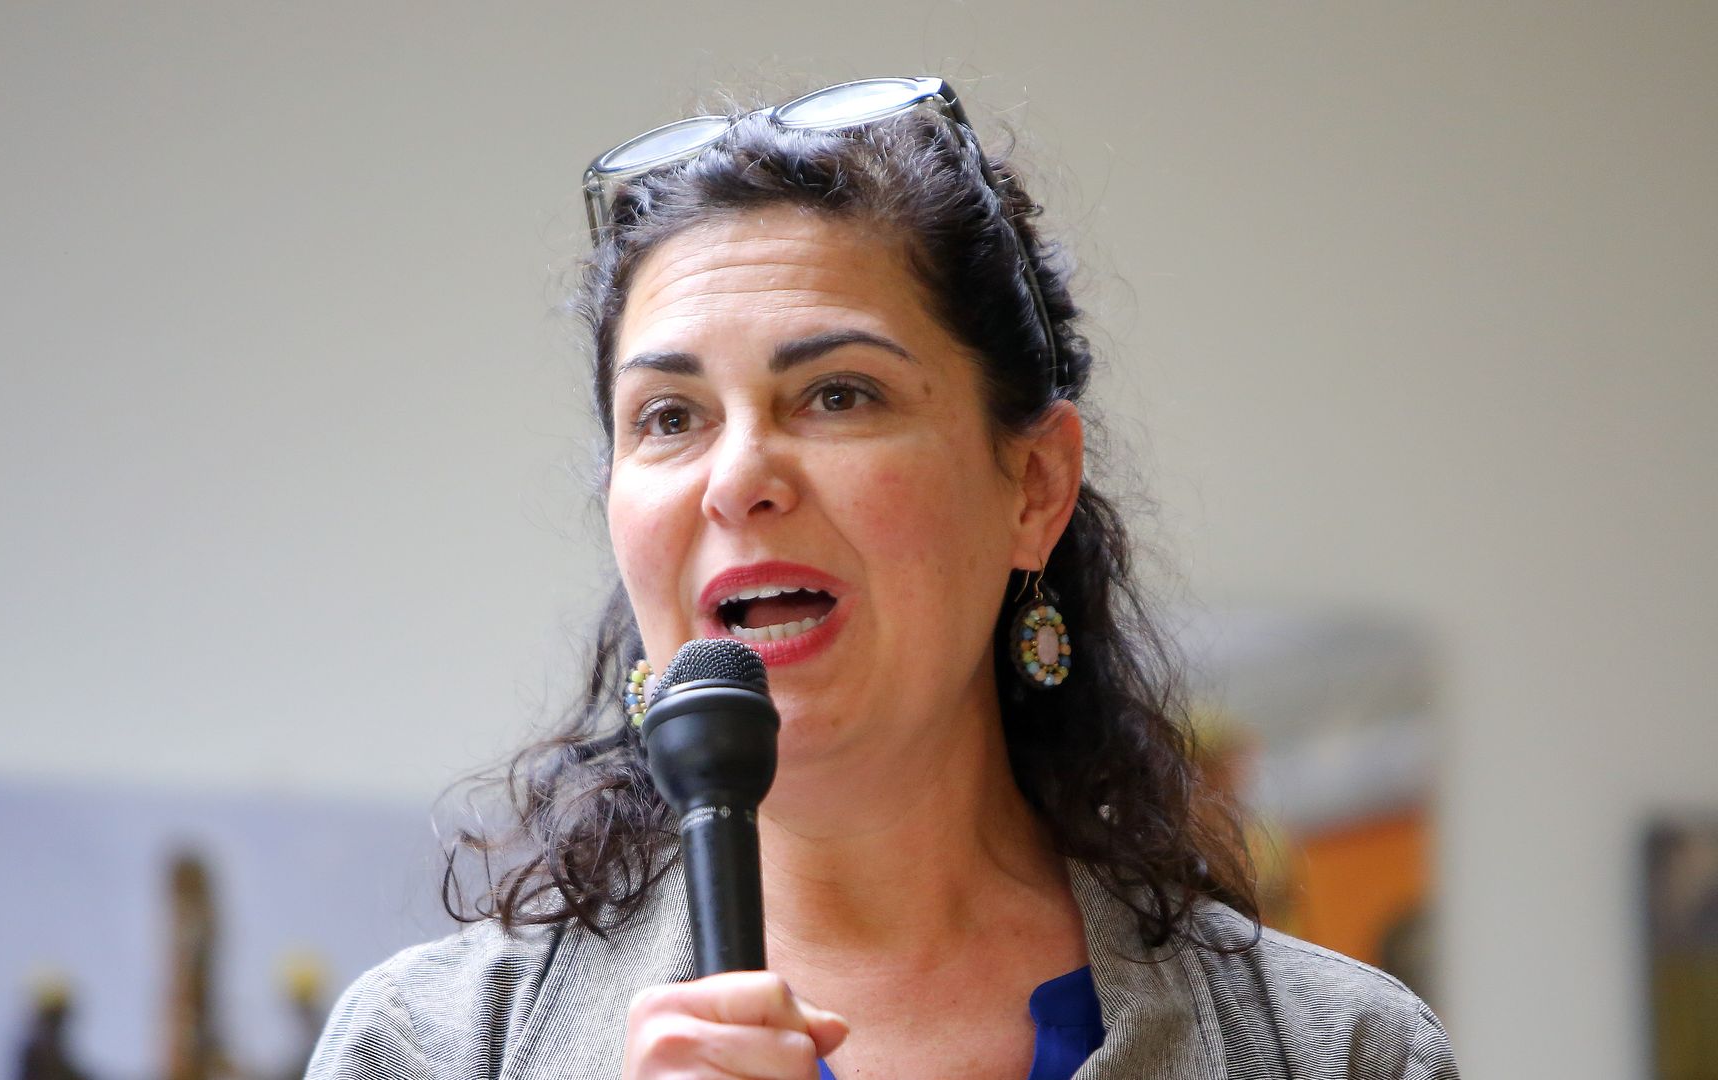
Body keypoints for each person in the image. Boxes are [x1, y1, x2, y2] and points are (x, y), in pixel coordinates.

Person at [305, 76, 1459, 1080]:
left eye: (838, 394)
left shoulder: (1337, 1052)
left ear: (1033, 485)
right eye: (669, 417)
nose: (738, 476)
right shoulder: (435, 1047)